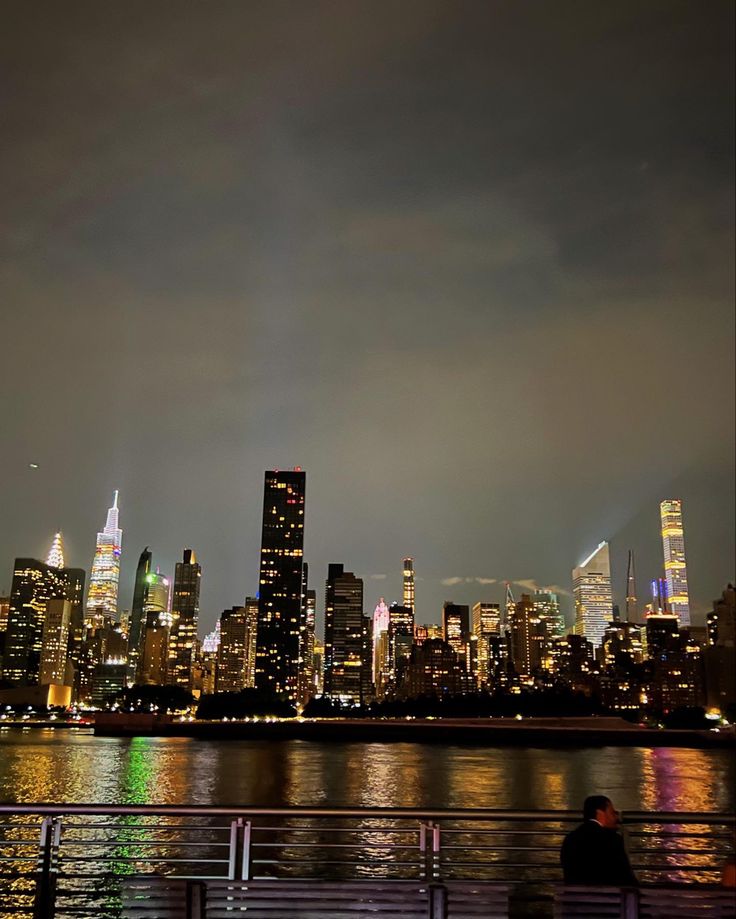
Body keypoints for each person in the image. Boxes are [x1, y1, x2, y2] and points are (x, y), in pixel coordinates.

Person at [560, 795, 638, 886]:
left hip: (575, 897)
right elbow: (625, 877)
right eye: (612, 813)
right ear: (600, 814)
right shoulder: (612, 839)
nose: (616, 817)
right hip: (608, 898)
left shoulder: (570, 839)